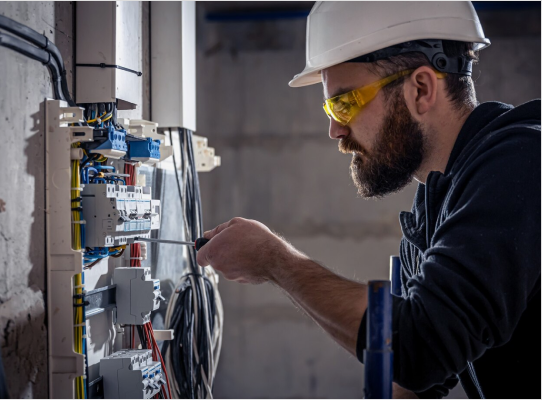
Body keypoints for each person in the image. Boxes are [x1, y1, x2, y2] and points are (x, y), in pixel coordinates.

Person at [196, 2, 541, 398]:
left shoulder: (524, 163)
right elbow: (414, 375)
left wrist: (277, 261)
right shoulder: (435, 209)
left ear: (421, 89)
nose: (335, 129)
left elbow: (421, 346)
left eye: (345, 103)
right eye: (330, 107)